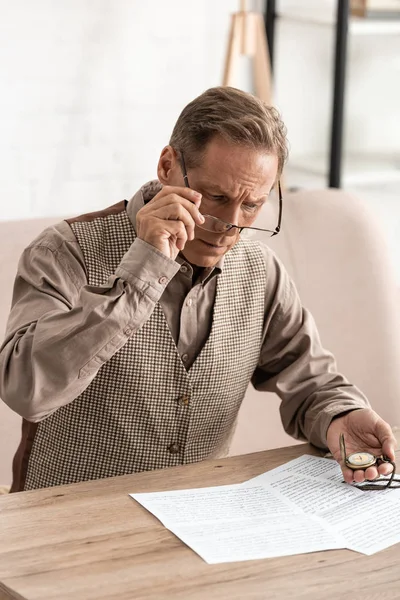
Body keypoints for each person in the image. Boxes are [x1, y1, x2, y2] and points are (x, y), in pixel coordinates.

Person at [0, 86, 396, 492]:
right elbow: (25, 389)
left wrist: (341, 416)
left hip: (200, 524)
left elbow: (311, 380)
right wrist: (144, 269)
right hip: (65, 524)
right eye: (216, 197)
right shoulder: (66, 250)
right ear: (167, 164)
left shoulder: (261, 272)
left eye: (252, 205)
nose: (230, 225)